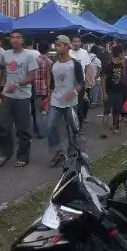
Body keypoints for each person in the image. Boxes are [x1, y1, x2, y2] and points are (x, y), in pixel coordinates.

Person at [0, 31, 38, 168]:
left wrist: (18, 84)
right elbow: (2, 69)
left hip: (23, 97)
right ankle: (6, 153)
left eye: (18, 37)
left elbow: (32, 76)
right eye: (12, 37)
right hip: (7, 95)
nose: (15, 40)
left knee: (23, 129)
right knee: (1, 125)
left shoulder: (29, 55)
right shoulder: (6, 54)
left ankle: (23, 156)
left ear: (23, 40)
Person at [46, 35, 85, 167]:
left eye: (59, 45)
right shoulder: (54, 65)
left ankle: (74, 152)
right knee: (50, 127)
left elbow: (81, 83)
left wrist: (73, 93)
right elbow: (51, 84)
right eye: (56, 45)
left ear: (67, 46)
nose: (57, 47)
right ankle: (59, 152)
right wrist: (48, 96)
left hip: (71, 103)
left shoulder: (75, 64)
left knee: (73, 129)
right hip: (56, 102)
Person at [101, 45, 127, 136]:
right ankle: (104, 131)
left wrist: (123, 67)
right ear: (119, 54)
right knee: (106, 112)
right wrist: (104, 93)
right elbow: (103, 79)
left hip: (119, 92)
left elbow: (123, 77)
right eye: (123, 53)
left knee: (117, 112)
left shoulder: (121, 64)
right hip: (109, 92)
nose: (124, 55)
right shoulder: (108, 65)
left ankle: (115, 127)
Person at [70, 36, 93, 133]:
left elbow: (88, 66)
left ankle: (78, 126)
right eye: (74, 41)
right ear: (71, 42)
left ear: (80, 43)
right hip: (69, 83)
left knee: (79, 105)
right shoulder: (68, 52)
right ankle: (71, 125)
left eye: (78, 41)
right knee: (70, 106)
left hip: (80, 83)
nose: (76, 43)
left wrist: (90, 79)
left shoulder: (84, 53)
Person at [33, 41, 53, 139]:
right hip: (45, 88)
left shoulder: (35, 60)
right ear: (47, 50)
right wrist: (50, 90)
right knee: (48, 110)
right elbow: (50, 77)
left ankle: (39, 131)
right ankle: (48, 129)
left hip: (35, 88)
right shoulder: (49, 62)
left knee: (37, 111)